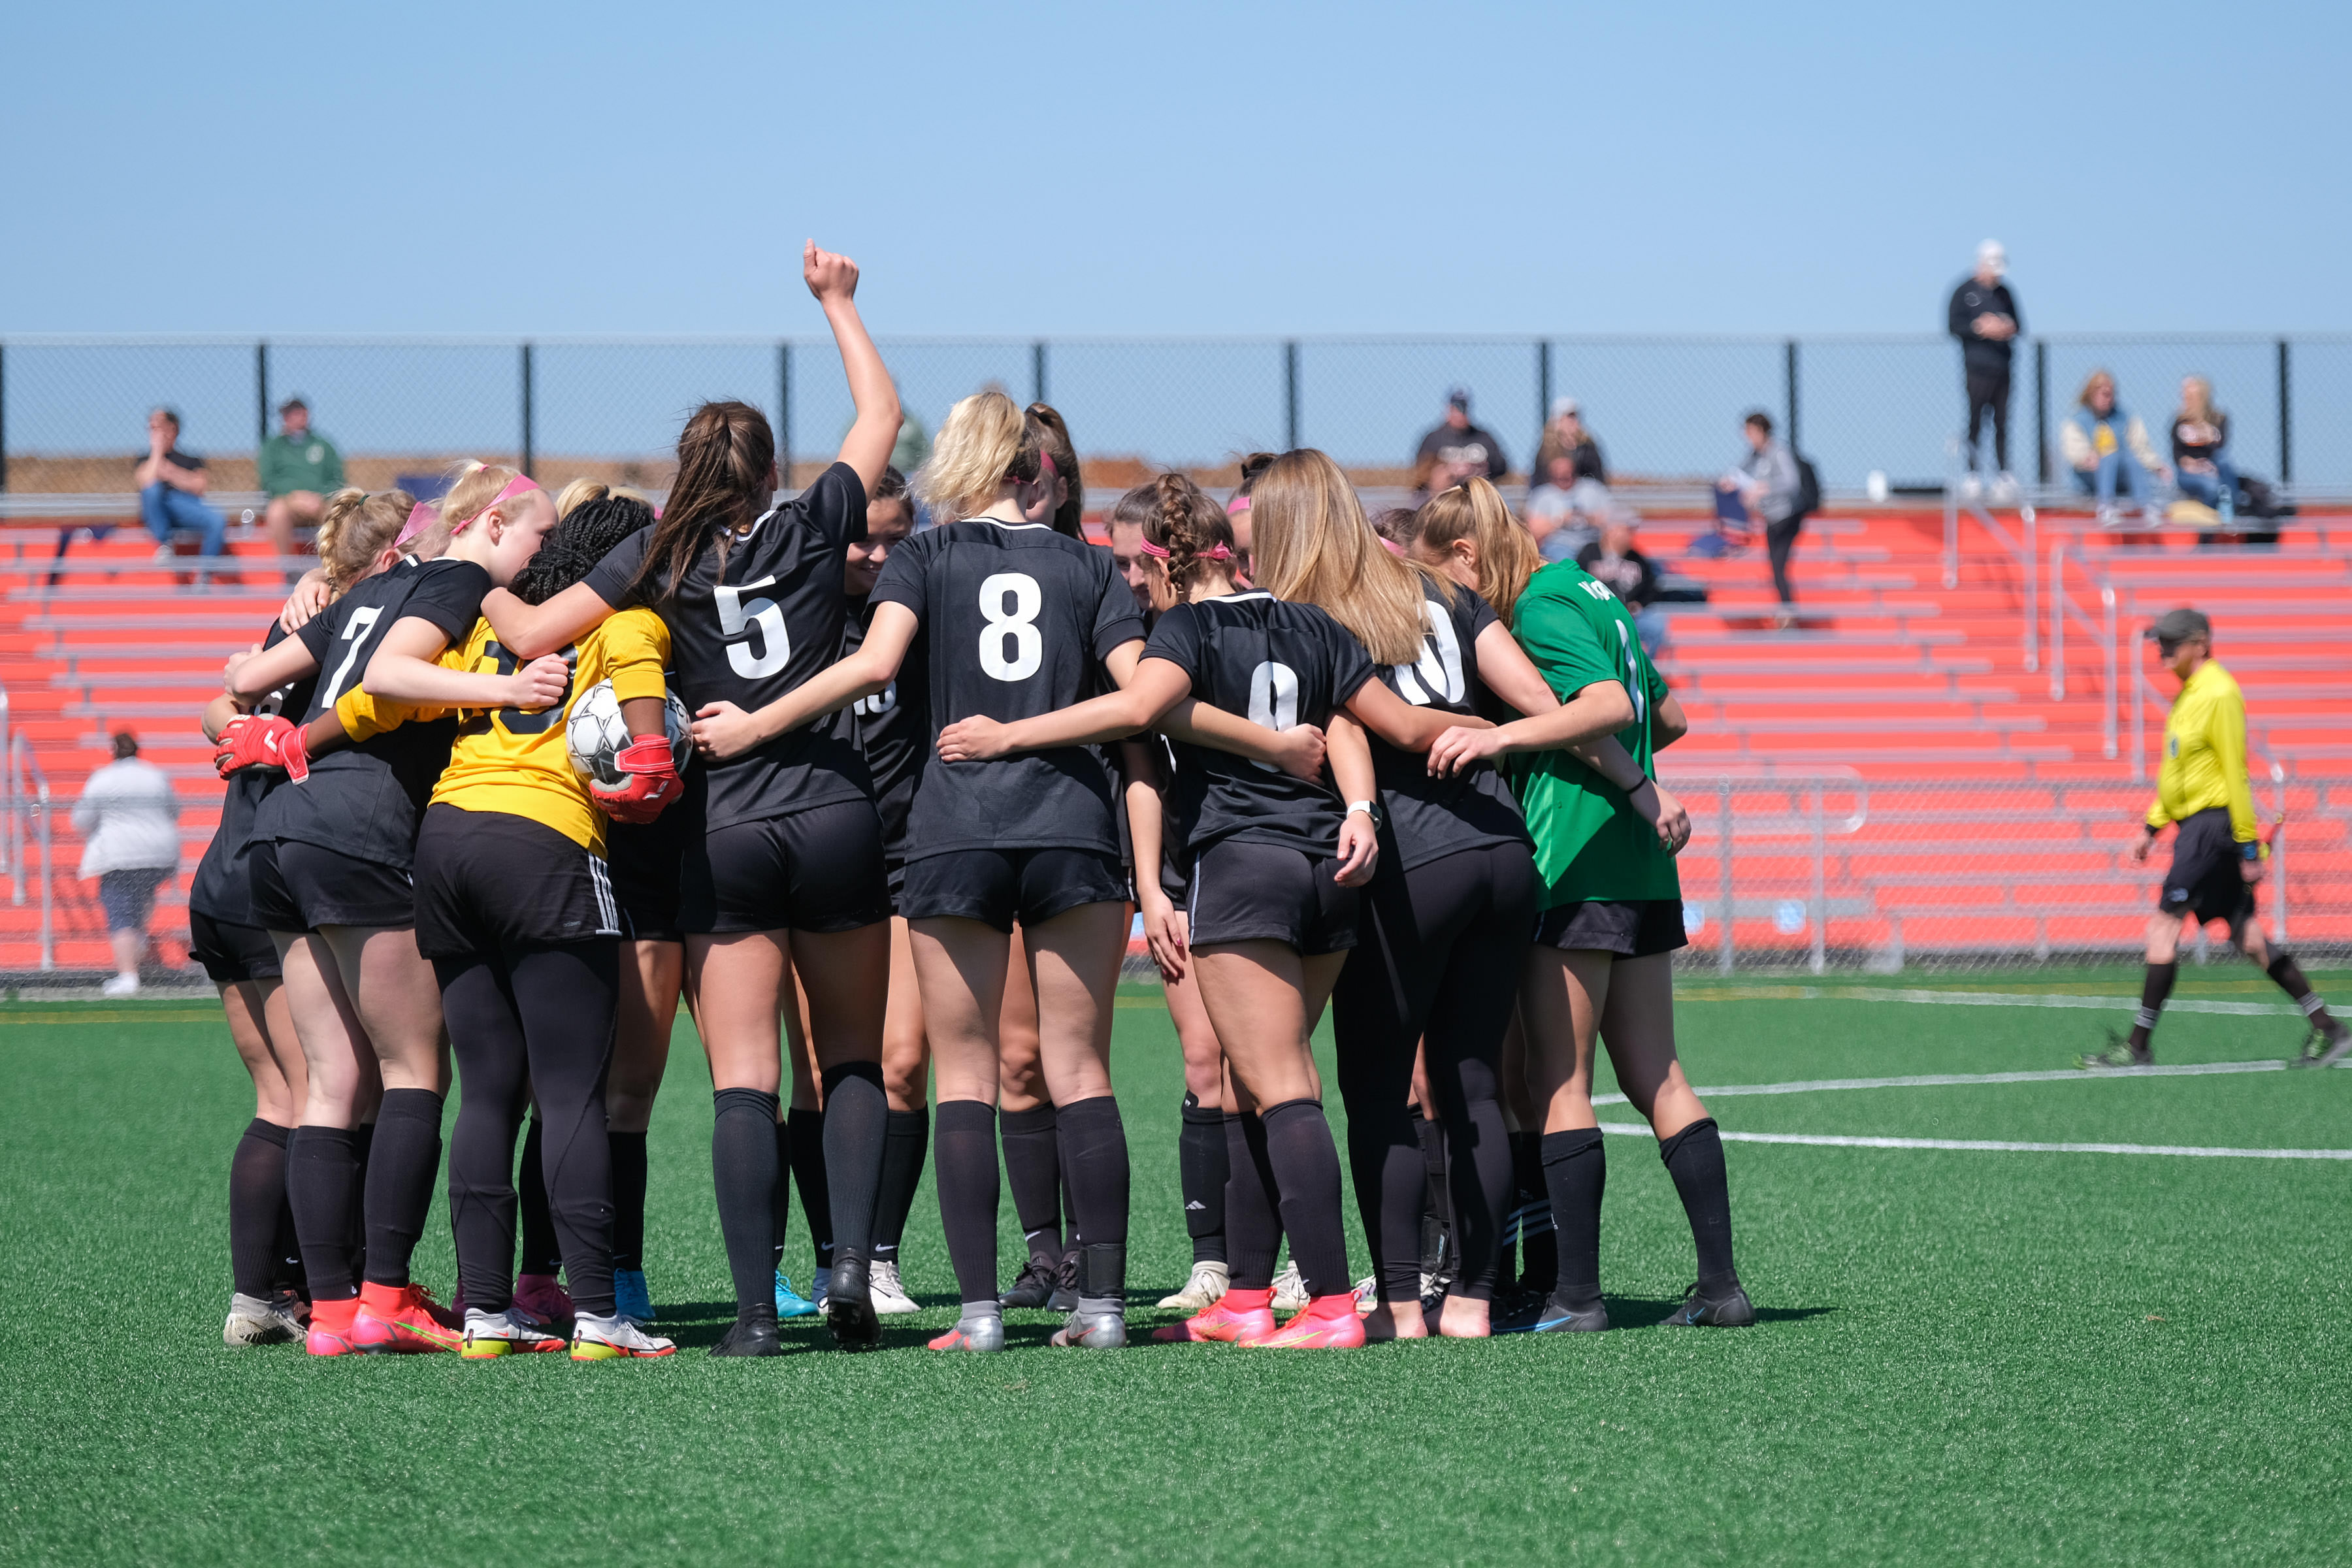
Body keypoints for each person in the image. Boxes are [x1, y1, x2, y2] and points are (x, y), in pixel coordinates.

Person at [482, 242, 901, 1360]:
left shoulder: (651, 558)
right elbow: (881, 413)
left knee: (742, 1082)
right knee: (851, 1059)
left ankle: (757, 1318)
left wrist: (443, 572)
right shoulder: (814, 524)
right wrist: (838, 304)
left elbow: (524, 633)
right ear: (769, 474)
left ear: (682, 471)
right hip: (837, 805)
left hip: (729, 827)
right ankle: (853, 1269)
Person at [702, 391, 1146, 1354]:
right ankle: (1105, 1309)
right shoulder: (1091, 565)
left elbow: (870, 670)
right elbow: (1144, 696)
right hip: (1072, 827)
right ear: (1034, 474)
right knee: (1080, 1070)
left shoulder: (924, 556)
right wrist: (1033, 733)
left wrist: (756, 724)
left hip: (955, 833)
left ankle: (981, 1315)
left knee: (965, 1078)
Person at [221, 477, 565, 1358]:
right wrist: (511, 691)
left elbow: (246, 678)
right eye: (538, 538)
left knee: (333, 1082)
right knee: (416, 1070)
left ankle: (332, 1316)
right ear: (492, 523)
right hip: (362, 835)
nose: (539, 559)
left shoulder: (367, 588)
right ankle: (386, 1298)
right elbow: (389, 675)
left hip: (280, 833)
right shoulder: (457, 579)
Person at [357, 489, 684, 1361]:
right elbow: (649, 762)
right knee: (572, 1088)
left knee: (489, 1089)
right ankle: (598, 1317)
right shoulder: (627, 624)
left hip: (448, 838)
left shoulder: (482, 625)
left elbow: (370, 705)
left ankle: (488, 1317)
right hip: (545, 845)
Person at [1427, 544, 1745, 1333]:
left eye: (1446, 575)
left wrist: (1512, 741)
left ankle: (1576, 1299)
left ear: (1469, 551)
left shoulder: (1536, 604)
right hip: (1639, 866)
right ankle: (1721, 1288)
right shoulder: (1598, 594)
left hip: (1570, 861)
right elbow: (1666, 717)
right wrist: (1623, 775)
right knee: (1661, 1079)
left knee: (1558, 1084)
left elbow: (1608, 707)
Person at [196, 489, 407, 1344]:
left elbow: (220, 708)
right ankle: (319, 1287)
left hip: (223, 878)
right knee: (326, 1093)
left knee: (281, 1092)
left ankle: (271, 1293)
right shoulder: (361, 632)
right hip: (278, 878)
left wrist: (234, 724)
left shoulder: (302, 622)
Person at [2081, 609, 2349, 1071]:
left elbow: (2233, 775)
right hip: (2197, 827)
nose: (2162, 650)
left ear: (2200, 643)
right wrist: (2152, 827)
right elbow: (2181, 778)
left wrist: (2247, 847)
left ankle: (2139, 1046)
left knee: (2163, 927)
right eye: (2159, 642)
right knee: (2247, 937)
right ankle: (2329, 1028)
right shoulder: (2189, 696)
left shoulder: (2219, 693)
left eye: (2170, 642)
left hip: (2211, 830)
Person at [1109, 476, 1238, 1311]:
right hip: (1190, 873)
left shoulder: (1249, 624)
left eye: (1132, 563)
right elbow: (1143, 771)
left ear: (1166, 559)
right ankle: (1215, 1262)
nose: (1123, 580)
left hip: (1263, 863)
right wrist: (1152, 887)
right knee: (1204, 1061)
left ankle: (1296, 1257)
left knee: (1273, 1070)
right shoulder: (1145, 645)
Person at [837, 466, 931, 1316]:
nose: (876, 554)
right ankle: (825, 1255)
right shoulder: (799, 614)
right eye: (862, 537)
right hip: (812, 861)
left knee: (900, 1062)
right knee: (813, 1076)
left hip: (906, 863)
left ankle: (879, 1258)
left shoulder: (926, 615)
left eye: (895, 538)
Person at [74, 731, 178, 996]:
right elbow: (173, 811)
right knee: (142, 898)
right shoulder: (156, 775)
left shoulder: (104, 777)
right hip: (158, 852)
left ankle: (128, 974)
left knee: (119, 912)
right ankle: (138, 942)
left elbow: (82, 820)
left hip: (120, 853)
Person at [1947, 240, 2022, 487]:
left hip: (2003, 366)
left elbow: (2020, 325)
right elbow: (1953, 325)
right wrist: (1979, 327)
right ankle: (1973, 473)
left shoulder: (2006, 293)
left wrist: (2004, 327)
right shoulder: (1963, 291)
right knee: (1976, 420)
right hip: (1977, 368)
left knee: (2002, 421)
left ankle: (2004, 473)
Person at [1718, 412, 1803, 625]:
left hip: (1786, 516)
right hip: (1770, 518)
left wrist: (1765, 489)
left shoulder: (1778, 451)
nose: (1748, 437)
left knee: (1778, 565)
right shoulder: (1756, 454)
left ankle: (1789, 612)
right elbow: (1740, 472)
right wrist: (1732, 482)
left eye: (1751, 432)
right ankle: (1786, 609)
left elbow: (1792, 482)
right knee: (1774, 566)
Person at [2061, 370, 2170, 526]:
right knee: (2109, 456)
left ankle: (2146, 507)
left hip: (2121, 477)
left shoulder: (2125, 418)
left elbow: (2140, 447)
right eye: (2103, 394)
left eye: (2111, 394)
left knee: (2130, 457)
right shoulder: (2077, 420)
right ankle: (2105, 506)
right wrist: (2085, 457)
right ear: (2091, 393)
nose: (2108, 398)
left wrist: (2156, 465)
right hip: (2091, 479)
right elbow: (2073, 451)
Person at [257, 399, 346, 577]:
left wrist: (319, 497)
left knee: (341, 512)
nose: (296, 416)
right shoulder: (273, 447)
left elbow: (337, 479)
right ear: (284, 417)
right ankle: (289, 569)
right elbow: (268, 481)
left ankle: (337, 566)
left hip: (320, 503)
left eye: (300, 412)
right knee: (276, 512)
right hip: (290, 503)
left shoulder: (324, 445)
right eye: (291, 413)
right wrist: (294, 496)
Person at [135, 407, 228, 568]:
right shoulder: (145, 459)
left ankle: (205, 574)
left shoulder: (191, 460)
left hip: (185, 505)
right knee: (152, 490)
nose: (154, 432)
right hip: (158, 508)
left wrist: (170, 472)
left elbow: (199, 486)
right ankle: (165, 545)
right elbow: (146, 482)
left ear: (173, 428)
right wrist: (157, 452)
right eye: (151, 428)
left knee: (216, 520)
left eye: (158, 427)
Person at [1576, 509, 1668, 655]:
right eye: (1627, 530)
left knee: (1656, 625)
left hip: (1630, 616)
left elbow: (1651, 588)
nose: (1631, 536)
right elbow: (1577, 583)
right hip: (1598, 613)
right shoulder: (1589, 554)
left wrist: (1639, 604)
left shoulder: (1637, 558)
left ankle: (1643, 671)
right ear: (1612, 530)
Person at [1411, 389, 1510, 497]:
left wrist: (1480, 470)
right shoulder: (1434, 439)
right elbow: (1421, 471)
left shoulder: (1484, 438)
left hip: (1475, 496)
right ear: (1448, 409)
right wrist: (1449, 470)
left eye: (1464, 409)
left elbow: (1502, 467)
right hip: (1442, 498)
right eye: (1457, 409)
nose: (1460, 414)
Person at [2169, 377, 2238, 515]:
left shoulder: (2219, 418)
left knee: (2224, 463)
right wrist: (2188, 463)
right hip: (2189, 472)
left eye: (2192, 397)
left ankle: (2231, 510)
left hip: (2214, 468)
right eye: (2185, 396)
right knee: (2212, 487)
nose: (2187, 400)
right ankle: (2209, 528)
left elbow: (2221, 448)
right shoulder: (2180, 421)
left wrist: (2206, 431)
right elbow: (2176, 452)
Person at [1521, 453, 1597, 564]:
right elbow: (1533, 530)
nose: (1564, 477)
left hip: (1590, 543)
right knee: (1564, 559)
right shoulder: (1542, 495)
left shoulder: (1591, 490)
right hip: (1558, 545)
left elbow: (1610, 518)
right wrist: (1561, 519)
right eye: (1560, 475)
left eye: (1568, 474)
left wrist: (1589, 518)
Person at [1531, 397, 1606, 491]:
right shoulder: (1546, 448)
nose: (1574, 421)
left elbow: (1597, 479)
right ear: (1558, 420)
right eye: (1569, 417)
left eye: (1575, 417)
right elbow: (1539, 481)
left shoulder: (1588, 447)